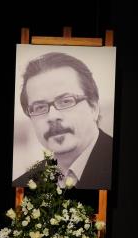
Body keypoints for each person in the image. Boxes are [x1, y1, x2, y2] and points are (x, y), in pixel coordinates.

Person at [12, 52, 113, 190]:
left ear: (94, 108)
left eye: (66, 101)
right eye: (40, 107)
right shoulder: (23, 186)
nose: (52, 116)